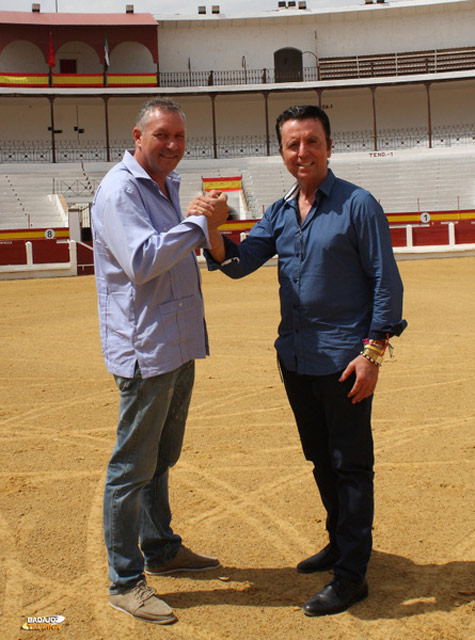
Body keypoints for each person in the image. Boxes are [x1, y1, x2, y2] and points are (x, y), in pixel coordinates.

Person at [202, 105, 406, 617]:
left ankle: (352, 576)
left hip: (344, 360)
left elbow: (386, 281)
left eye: (311, 141)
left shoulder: (359, 205)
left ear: (329, 146)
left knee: (352, 466)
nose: (302, 152)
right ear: (282, 152)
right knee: (320, 459)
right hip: (295, 358)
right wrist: (210, 225)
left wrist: (372, 355)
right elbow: (238, 264)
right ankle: (342, 544)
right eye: (292, 144)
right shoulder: (278, 211)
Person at [92, 96, 229, 625]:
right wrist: (199, 225)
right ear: (137, 136)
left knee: (161, 456)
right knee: (132, 466)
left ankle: (161, 547)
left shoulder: (166, 185)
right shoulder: (120, 190)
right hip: (145, 349)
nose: (171, 145)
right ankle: (126, 580)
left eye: (178, 136)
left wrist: (194, 219)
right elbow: (145, 260)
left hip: (176, 341)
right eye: (161, 136)